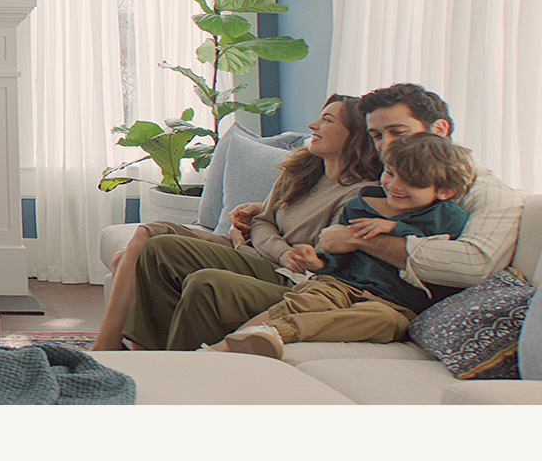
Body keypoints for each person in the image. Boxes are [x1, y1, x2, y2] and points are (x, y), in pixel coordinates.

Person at [122, 83, 523, 350]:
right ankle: (159, 369)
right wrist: (287, 227)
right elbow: (328, 237)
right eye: (377, 136)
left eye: (397, 133)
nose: (385, 148)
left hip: (385, 304)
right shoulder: (380, 185)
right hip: (326, 280)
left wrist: (359, 239)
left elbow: (474, 264)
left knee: (206, 282)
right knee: (160, 249)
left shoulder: (486, 195)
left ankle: (195, 368)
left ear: (440, 128)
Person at [92, 95, 381, 350]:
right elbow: (263, 221)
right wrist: (273, 245)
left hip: (287, 274)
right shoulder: (301, 168)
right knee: (151, 246)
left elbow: (310, 258)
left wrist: (259, 246)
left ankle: (128, 353)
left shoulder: (358, 195)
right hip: (265, 255)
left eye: (326, 120)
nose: (313, 126)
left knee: (160, 250)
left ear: (355, 134)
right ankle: (142, 356)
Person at [213, 132, 473, 357]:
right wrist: (319, 261)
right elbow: (340, 256)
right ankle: (221, 347)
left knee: (385, 322)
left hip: (396, 303)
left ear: (444, 191)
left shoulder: (447, 216)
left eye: (412, 182)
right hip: (343, 283)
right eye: (391, 173)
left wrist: (395, 228)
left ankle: (276, 332)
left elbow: (437, 251)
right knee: (304, 301)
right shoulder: (360, 204)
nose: (394, 186)